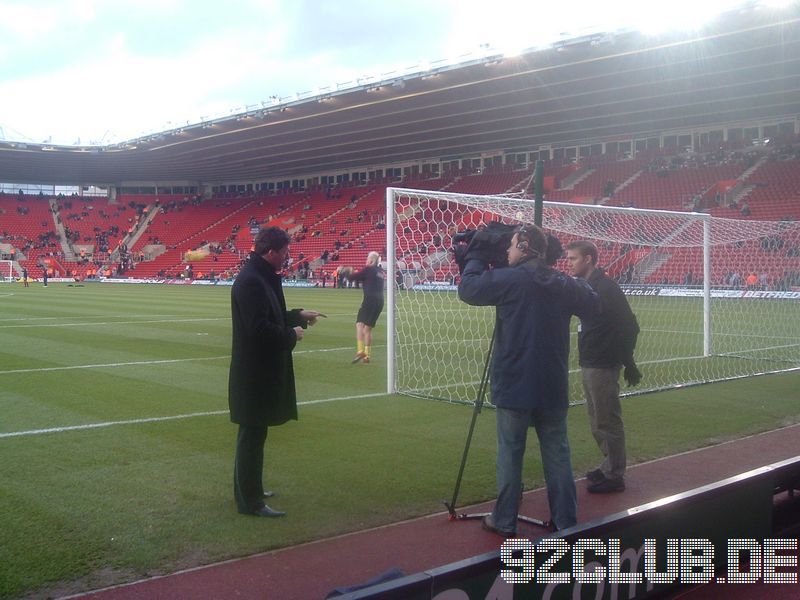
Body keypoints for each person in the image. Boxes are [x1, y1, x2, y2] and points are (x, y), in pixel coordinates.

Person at [458, 224, 597, 535]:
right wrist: (555, 265)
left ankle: (504, 520)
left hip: (514, 381)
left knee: (510, 452)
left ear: (522, 246)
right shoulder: (561, 281)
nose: (506, 252)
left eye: (510, 246)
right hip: (552, 382)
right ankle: (566, 521)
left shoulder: (510, 279)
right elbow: (591, 301)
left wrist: (477, 254)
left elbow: (468, 289)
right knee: (557, 452)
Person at [228, 227, 326, 517]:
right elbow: (258, 329)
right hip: (254, 374)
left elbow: (269, 316)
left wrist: (298, 316)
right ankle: (250, 501)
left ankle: (251, 488)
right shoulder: (251, 282)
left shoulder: (261, 277)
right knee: (251, 434)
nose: (287, 257)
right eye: (284, 252)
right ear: (270, 252)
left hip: (260, 372)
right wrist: (291, 334)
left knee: (255, 434)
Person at [565, 241, 641, 494]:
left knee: (607, 418)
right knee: (597, 419)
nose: (569, 262)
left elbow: (630, 325)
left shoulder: (606, 287)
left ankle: (615, 474)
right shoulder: (587, 286)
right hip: (590, 360)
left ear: (588, 259)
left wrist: (628, 363)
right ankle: (609, 464)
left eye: (573, 258)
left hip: (603, 362)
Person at [343, 251, 385, 364]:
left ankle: (360, 351)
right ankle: (367, 356)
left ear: (371, 261)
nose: (366, 261)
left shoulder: (368, 269)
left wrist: (346, 271)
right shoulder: (381, 272)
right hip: (380, 302)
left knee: (359, 324)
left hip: (369, 300)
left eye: (367, 259)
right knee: (368, 329)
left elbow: (352, 278)